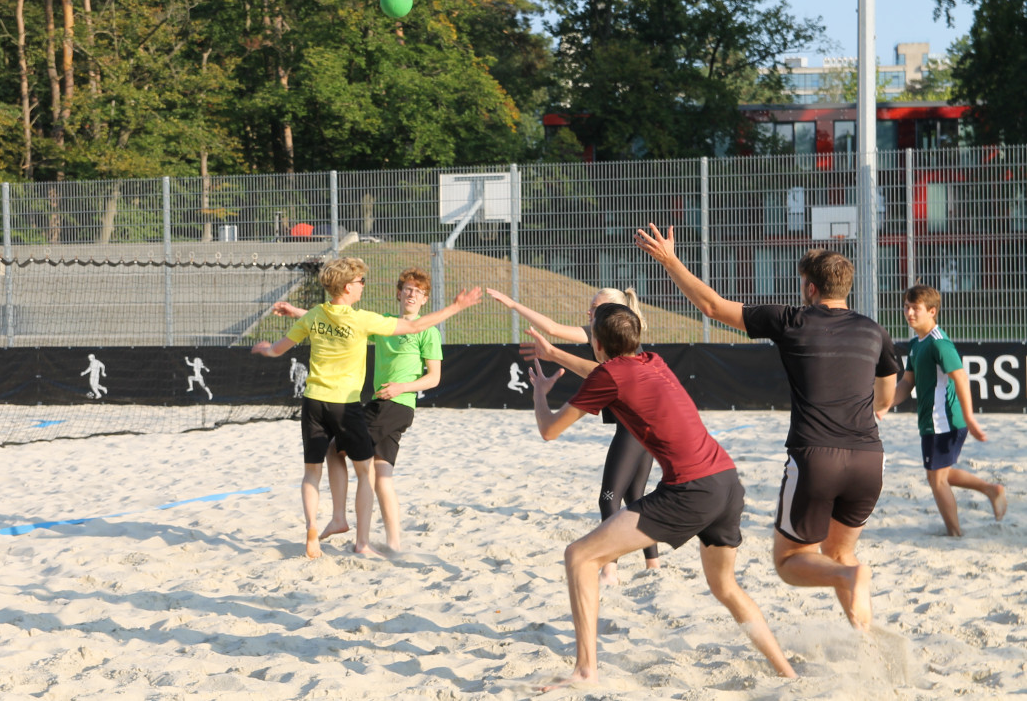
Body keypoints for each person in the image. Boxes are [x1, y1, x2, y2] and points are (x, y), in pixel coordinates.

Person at [635, 224, 898, 630]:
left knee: (790, 561)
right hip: (870, 459)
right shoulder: (874, 331)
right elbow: (885, 396)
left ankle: (852, 578)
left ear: (810, 288)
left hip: (816, 458)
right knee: (840, 556)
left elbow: (712, 306)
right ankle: (864, 640)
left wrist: (670, 261)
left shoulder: (791, 319)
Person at [530, 302, 796, 689]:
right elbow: (605, 374)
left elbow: (549, 430)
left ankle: (585, 671)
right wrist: (554, 354)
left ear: (598, 343)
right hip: (725, 479)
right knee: (725, 587)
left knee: (579, 556)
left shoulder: (611, 374)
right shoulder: (653, 360)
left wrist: (540, 393)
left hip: (690, 490)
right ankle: (786, 673)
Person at [252, 257, 480, 559]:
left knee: (335, 453)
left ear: (425, 298)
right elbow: (337, 321)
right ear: (398, 294)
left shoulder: (423, 332)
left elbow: (432, 375)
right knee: (382, 475)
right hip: (374, 403)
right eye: (407, 289)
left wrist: (402, 386)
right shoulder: (375, 321)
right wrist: (296, 312)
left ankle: (345, 527)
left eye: (418, 291)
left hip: (392, 404)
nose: (412, 294)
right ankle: (394, 542)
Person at [486, 286, 660, 585]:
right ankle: (653, 568)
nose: (589, 312)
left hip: (635, 427)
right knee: (634, 497)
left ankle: (610, 571)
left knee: (609, 499)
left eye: (595, 307)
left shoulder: (620, 343)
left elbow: (601, 373)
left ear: (617, 313)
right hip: (641, 425)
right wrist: (514, 304)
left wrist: (553, 356)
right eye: (590, 307)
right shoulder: (605, 334)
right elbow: (553, 329)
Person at [889, 282, 1007, 535]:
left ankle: (955, 534)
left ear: (932, 311)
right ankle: (990, 489)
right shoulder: (916, 343)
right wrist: (885, 402)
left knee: (937, 479)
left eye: (915, 308)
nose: (909, 313)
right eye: (906, 307)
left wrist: (970, 418)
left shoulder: (939, 343)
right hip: (932, 422)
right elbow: (907, 382)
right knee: (941, 473)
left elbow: (961, 378)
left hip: (944, 422)